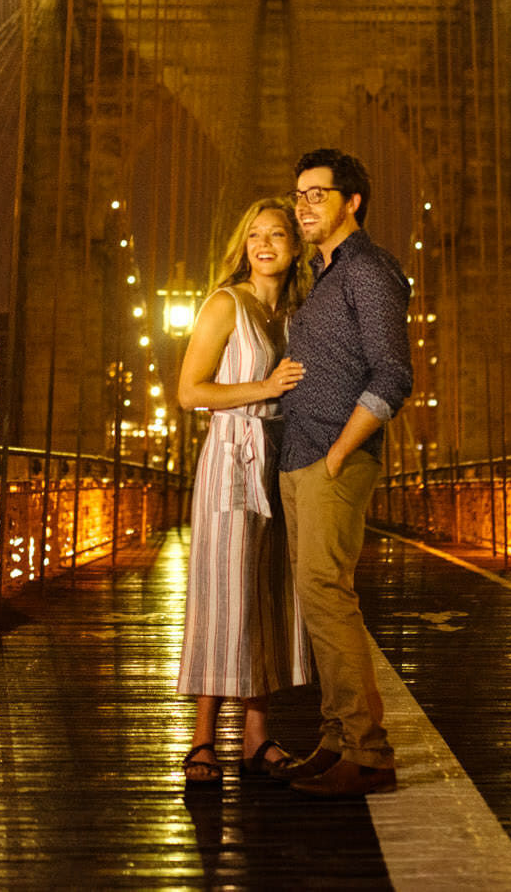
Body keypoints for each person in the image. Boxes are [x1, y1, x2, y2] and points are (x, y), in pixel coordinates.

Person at [270, 148, 413, 798]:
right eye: (298, 195)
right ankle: (336, 738)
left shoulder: (369, 270)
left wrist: (337, 453)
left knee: (329, 593)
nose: (303, 205)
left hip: (333, 455)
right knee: (317, 602)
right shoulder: (320, 277)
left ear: (352, 201)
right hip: (298, 454)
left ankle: (368, 750)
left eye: (317, 194)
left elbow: (392, 373)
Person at [173, 198, 313, 788]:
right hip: (231, 457)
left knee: (267, 595)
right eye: (254, 234)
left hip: (278, 459)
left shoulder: (295, 315)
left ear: (294, 245)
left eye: (276, 234)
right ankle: (204, 737)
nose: (263, 244)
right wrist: (263, 386)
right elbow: (189, 391)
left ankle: (257, 737)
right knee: (223, 593)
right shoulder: (224, 304)